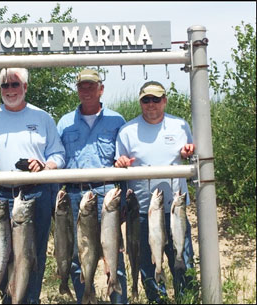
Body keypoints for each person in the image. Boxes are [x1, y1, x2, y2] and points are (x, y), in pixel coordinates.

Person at [0, 67, 65, 304]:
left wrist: (45, 165)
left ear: (25, 87)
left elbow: (58, 154)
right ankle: (3, 297)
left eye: (15, 85)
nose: (10, 90)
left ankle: (29, 299)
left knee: (31, 255)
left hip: (36, 193)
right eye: (5, 85)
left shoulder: (42, 117)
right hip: (0, 195)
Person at [114, 81, 195, 303]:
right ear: (140, 102)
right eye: (146, 100)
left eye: (156, 99)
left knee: (183, 258)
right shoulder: (127, 131)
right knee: (146, 263)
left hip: (174, 210)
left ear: (164, 101)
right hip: (140, 212)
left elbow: (192, 155)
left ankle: (186, 297)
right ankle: (155, 299)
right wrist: (120, 162)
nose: (151, 104)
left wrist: (189, 152)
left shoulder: (180, 126)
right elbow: (118, 164)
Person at [57, 68, 128, 304]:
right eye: (82, 87)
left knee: (113, 253)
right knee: (78, 255)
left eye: (91, 86)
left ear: (101, 89)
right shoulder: (65, 122)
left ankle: (119, 299)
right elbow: (57, 157)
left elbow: (124, 156)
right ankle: (85, 298)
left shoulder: (117, 120)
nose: (86, 91)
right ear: (77, 90)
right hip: (75, 195)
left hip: (107, 193)